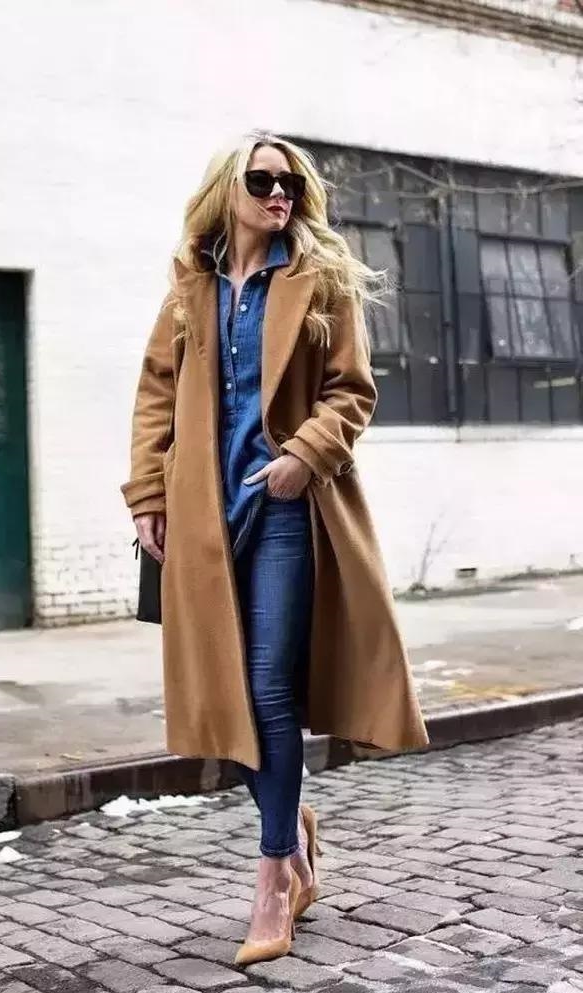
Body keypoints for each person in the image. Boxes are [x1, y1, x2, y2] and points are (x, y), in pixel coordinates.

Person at [121, 131, 429, 966]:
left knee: (266, 688)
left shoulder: (318, 278)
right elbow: (155, 397)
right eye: (261, 181)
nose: (279, 193)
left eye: (289, 181)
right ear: (227, 190)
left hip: (285, 506)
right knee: (225, 698)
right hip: (204, 516)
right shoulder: (190, 288)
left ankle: (273, 880)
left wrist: (302, 457)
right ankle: (294, 829)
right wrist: (148, 494)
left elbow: (352, 390)